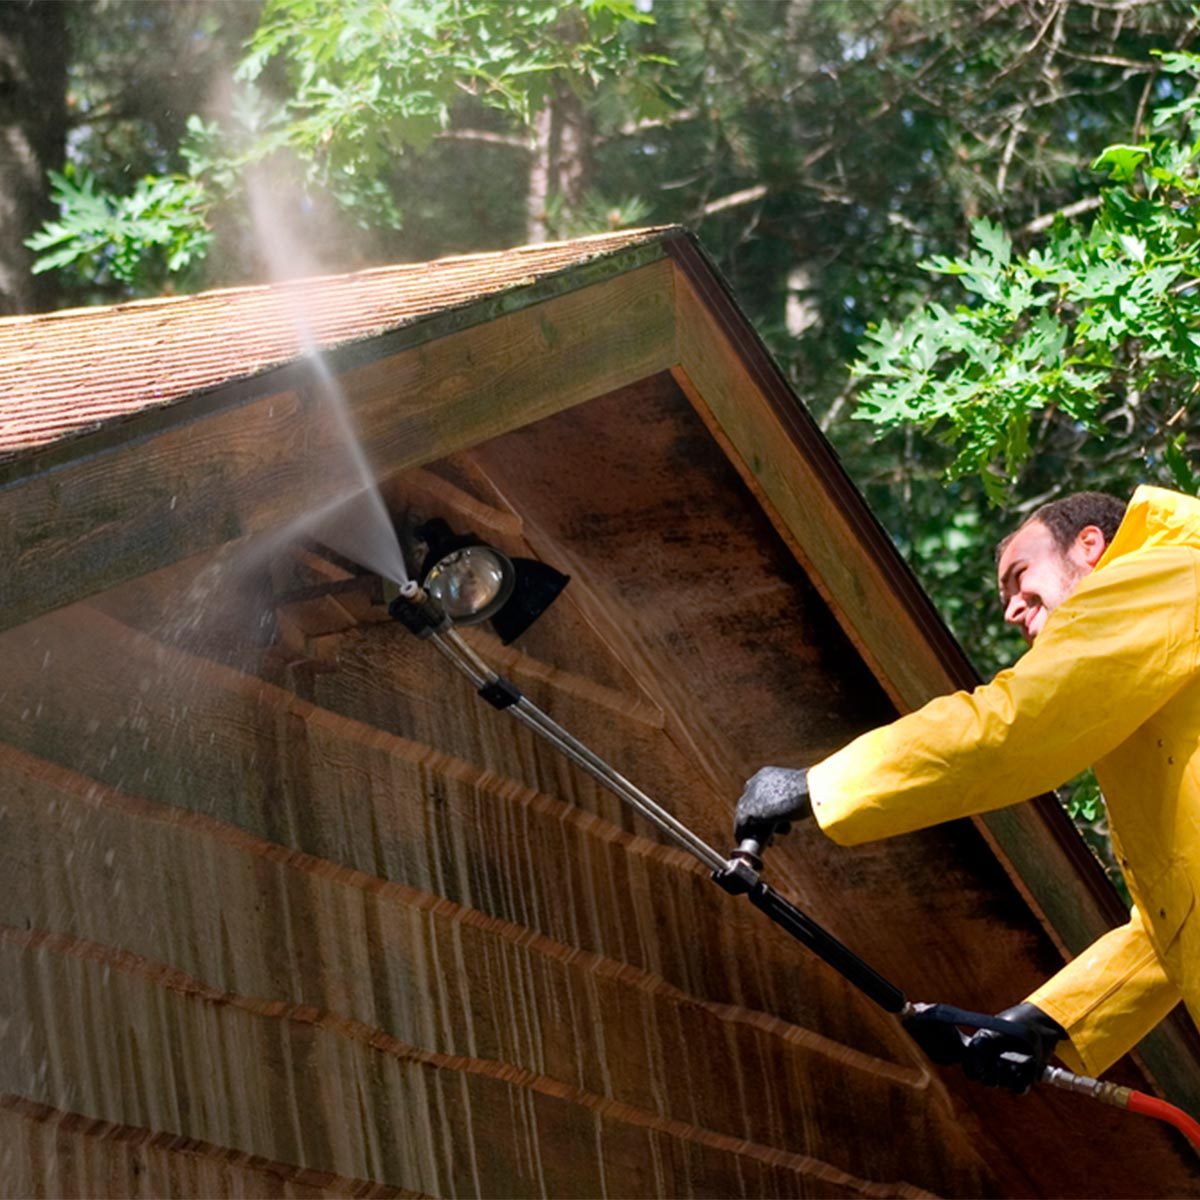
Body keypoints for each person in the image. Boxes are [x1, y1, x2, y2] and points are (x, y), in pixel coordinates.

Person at [734, 484, 1200, 1091]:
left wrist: (822, 783)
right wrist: (1053, 1018)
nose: (1009, 609)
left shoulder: (1171, 569)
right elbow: (1175, 919)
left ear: (1090, 545)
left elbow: (1020, 724)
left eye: (1019, 574)